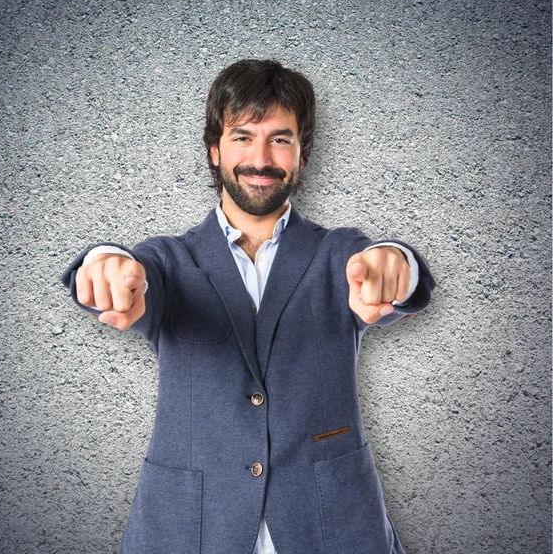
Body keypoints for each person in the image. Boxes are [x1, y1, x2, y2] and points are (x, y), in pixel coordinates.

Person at [62, 59, 435, 554]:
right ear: (214, 149)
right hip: (190, 527)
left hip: (329, 525)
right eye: (242, 137)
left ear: (302, 154)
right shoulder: (169, 261)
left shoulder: (341, 255)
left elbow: (393, 272)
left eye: (280, 139)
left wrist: (396, 262)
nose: (261, 158)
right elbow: (124, 272)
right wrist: (102, 264)